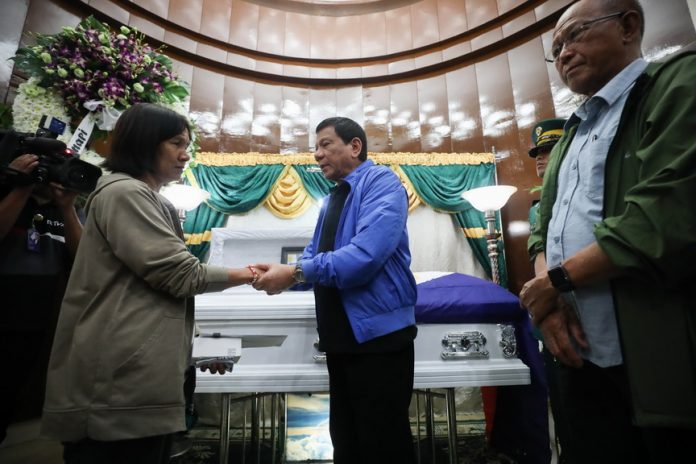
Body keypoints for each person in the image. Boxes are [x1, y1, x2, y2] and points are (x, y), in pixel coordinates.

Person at [521, 0, 696, 462]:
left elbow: (668, 212)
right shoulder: (572, 134)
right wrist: (550, 298)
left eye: (574, 35)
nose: (563, 54)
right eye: (555, 48)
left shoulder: (677, 83)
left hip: (652, 355)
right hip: (577, 352)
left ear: (628, 26)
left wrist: (557, 280)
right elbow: (543, 230)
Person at [41, 103, 262, 464]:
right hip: (118, 386)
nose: (185, 154)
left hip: (134, 378)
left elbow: (148, 292)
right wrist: (252, 275)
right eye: (176, 142)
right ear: (145, 143)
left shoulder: (140, 196)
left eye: (186, 143)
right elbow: (180, 274)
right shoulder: (126, 193)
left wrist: (195, 351)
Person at [253, 117, 418, 464]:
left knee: (382, 442)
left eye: (326, 144)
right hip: (341, 337)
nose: (316, 154)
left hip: (378, 338)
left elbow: (363, 258)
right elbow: (315, 255)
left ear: (355, 146)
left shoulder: (382, 183)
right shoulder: (332, 197)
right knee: (347, 439)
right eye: (315, 147)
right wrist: (279, 276)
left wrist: (294, 272)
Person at [0, 152, 83, 444]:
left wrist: (68, 207)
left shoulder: (66, 210)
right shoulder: (8, 191)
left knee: (8, 395)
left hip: (35, 317)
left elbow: (83, 258)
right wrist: (22, 187)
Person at [527, 118, 574, 462]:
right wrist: (547, 297)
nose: (540, 158)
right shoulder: (538, 206)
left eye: (549, 149)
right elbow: (539, 250)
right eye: (537, 153)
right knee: (566, 411)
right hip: (557, 309)